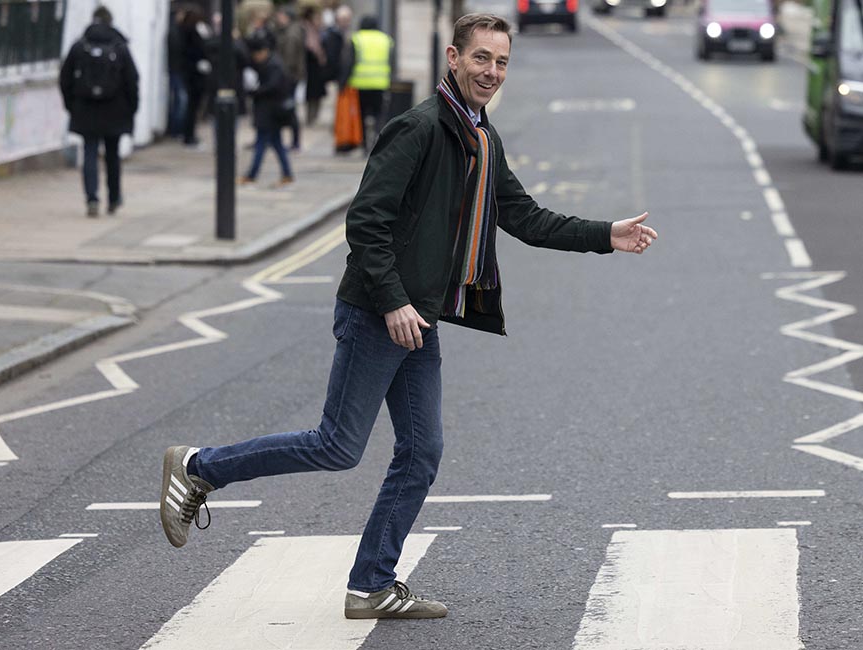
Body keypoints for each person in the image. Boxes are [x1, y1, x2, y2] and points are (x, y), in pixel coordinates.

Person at [159, 13, 657, 620]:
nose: (491, 72)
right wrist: (393, 300)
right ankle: (197, 467)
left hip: (419, 317)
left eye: (501, 63)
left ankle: (371, 583)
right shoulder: (418, 128)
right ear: (453, 58)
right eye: (481, 59)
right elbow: (366, 223)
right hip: (378, 311)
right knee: (337, 446)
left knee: (422, 452)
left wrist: (607, 234)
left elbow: (525, 217)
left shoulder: (480, 137)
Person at [59, 5, 138, 217]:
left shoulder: (79, 46)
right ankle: (113, 198)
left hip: (86, 109)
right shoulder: (120, 47)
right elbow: (132, 80)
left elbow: (65, 79)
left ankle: (92, 198)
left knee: (90, 153)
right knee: (112, 155)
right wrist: (132, 109)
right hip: (115, 109)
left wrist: (71, 105)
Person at [238, 30, 294, 188]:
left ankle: (252, 175)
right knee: (276, 144)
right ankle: (287, 174)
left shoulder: (274, 65)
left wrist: (255, 91)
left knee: (261, 144)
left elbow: (272, 86)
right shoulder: (270, 63)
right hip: (269, 112)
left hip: (270, 113)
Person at [343, 15, 393, 151]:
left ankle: (365, 144)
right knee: (378, 114)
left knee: (361, 115)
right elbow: (390, 62)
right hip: (380, 83)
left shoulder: (356, 38)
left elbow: (349, 62)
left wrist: (343, 82)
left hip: (360, 84)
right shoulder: (385, 39)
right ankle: (378, 140)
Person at [271, 6, 305, 150]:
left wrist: (282, 75)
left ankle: (294, 141)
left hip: (289, 76)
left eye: (280, 15)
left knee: (288, 107)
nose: (278, 18)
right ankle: (292, 140)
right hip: (291, 75)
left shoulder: (291, 34)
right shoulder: (290, 31)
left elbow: (289, 59)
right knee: (288, 107)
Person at [180, 6, 213, 147]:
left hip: (192, 73)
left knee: (191, 107)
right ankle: (189, 136)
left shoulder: (186, 30)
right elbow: (200, 48)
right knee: (192, 107)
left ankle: (189, 134)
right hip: (195, 75)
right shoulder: (192, 31)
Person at [301, 5, 328, 125]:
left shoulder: (319, 31)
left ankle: (314, 116)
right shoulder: (308, 30)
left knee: (317, 93)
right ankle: (310, 116)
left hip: (317, 66)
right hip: (311, 66)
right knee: (311, 93)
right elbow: (310, 47)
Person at [166, 7, 188, 138]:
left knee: (179, 100)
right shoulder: (176, 32)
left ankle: (176, 128)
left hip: (177, 70)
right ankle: (175, 129)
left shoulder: (177, 31)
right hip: (177, 70)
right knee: (180, 100)